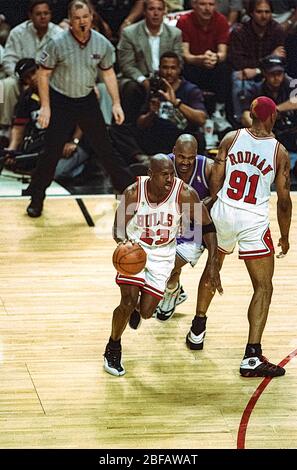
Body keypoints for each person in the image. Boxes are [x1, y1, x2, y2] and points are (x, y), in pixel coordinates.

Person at [104, 153, 223, 376]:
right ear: (150, 175)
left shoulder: (185, 194)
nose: (170, 179)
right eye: (164, 175)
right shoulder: (133, 193)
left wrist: (213, 261)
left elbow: (206, 226)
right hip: (135, 249)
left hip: (163, 254)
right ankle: (113, 346)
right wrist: (124, 242)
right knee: (127, 301)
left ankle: (138, 310)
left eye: (171, 174)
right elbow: (118, 228)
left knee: (148, 312)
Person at [202, 96, 292, 377]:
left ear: (251, 115)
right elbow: (284, 200)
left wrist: (215, 202)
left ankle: (197, 326)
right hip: (252, 219)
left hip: (225, 211)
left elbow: (216, 174)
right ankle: (252, 356)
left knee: (213, 268)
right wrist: (285, 235)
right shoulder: (279, 152)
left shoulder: (231, 137)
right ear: (272, 117)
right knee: (264, 287)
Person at [25, 0, 131, 218]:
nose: (82, 22)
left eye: (85, 17)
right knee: (51, 152)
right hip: (61, 99)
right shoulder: (57, 43)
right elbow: (43, 74)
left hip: (86, 99)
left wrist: (116, 103)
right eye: (77, 18)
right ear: (70, 21)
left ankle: (129, 192)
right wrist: (46, 107)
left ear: (91, 17)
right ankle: (36, 198)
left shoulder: (102, 43)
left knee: (105, 148)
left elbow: (108, 73)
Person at [128, 134, 214, 331]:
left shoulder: (207, 167)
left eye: (190, 157)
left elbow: (216, 196)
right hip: (165, 226)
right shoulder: (163, 165)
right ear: (174, 152)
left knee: (170, 266)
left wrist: (196, 209)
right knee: (151, 263)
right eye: (181, 156)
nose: (185, 162)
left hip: (194, 232)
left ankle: (170, 290)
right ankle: (173, 290)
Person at [3, 58, 90, 180]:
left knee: (53, 173)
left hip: (73, 142)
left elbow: (84, 116)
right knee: (23, 165)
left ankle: (86, 166)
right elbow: (18, 127)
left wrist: (73, 141)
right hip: (46, 145)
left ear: (40, 69)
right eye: (27, 78)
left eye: (33, 72)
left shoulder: (64, 87)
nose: (32, 78)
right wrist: (12, 149)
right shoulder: (27, 97)